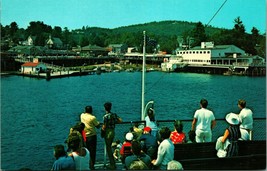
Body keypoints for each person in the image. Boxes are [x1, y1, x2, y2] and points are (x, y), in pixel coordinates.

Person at [101, 102, 123, 170]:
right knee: (109, 147)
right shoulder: (114, 115)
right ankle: (112, 163)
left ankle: (112, 164)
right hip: (112, 131)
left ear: (105, 108)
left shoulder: (105, 116)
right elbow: (120, 121)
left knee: (108, 149)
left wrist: (102, 132)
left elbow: (104, 126)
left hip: (108, 132)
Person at [80, 105, 101, 170]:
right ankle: (92, 166)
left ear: (85, 110)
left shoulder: (82, 115)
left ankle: (86, 164)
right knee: (92, 151)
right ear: (91, 111)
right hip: (91, 136)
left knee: (85, 150)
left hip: (84, 135)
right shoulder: (92, 117)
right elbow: (97, 126)